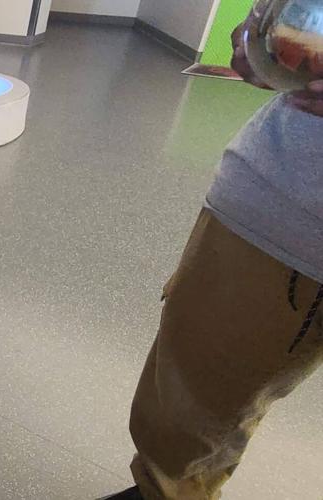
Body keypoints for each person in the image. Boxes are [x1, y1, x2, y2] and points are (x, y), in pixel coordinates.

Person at [104, 12, 323, 500]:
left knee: (192, 416)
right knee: (194, 411)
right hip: (281, 210)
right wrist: (265, 43)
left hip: (294, 225)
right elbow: (272, 43)